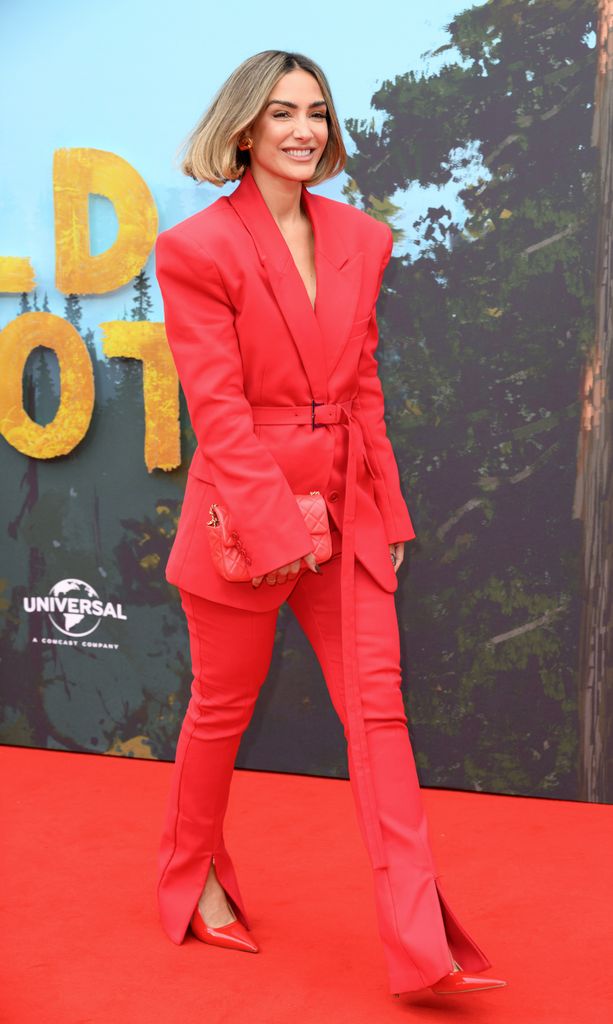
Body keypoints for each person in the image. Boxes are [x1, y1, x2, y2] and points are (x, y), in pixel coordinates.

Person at [154, 49, 506, 999]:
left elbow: (361, 388)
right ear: (243, 130)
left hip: (347, 512)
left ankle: (420, 943)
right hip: (246, 519)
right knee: (220, 711)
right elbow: (217, 412)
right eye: (281, 113)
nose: (304, 129)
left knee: (380, 718)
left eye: (316, 111)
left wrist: (382, 510)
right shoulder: (198, 250)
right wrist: (276, 534)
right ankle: (190, 881)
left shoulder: (361, 237)